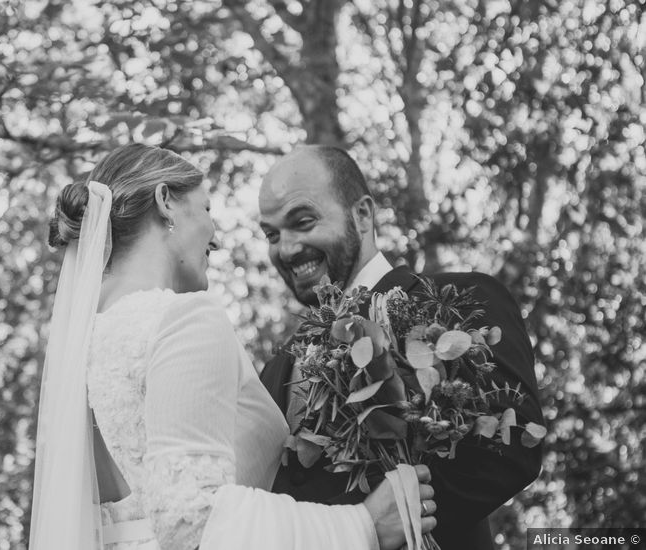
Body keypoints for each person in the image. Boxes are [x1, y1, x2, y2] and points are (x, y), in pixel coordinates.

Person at [30, 143, 437, 550]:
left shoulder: (79, 343)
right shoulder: (183, 320)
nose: (216, 238)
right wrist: (363, 525)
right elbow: (191, 522)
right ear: (165, 202)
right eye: (207, 210)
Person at [258, 145, 545, 550]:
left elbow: (507, 452)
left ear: (362, 215)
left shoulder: (459, 301)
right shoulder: (274, 371)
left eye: (302, 222)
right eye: (272, 234)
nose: (285, 249)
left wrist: (377, 527)